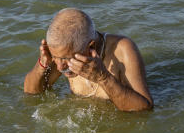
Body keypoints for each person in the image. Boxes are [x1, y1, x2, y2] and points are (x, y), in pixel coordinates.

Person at [23, 8, 153, 112]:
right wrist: (41, 65)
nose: (60, 67)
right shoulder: (61, 52)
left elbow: (144, 110)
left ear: (90, 46)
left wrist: (103, 78)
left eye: (66, 59)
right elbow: (31, 94)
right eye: (55, 57)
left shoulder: (123, 49)